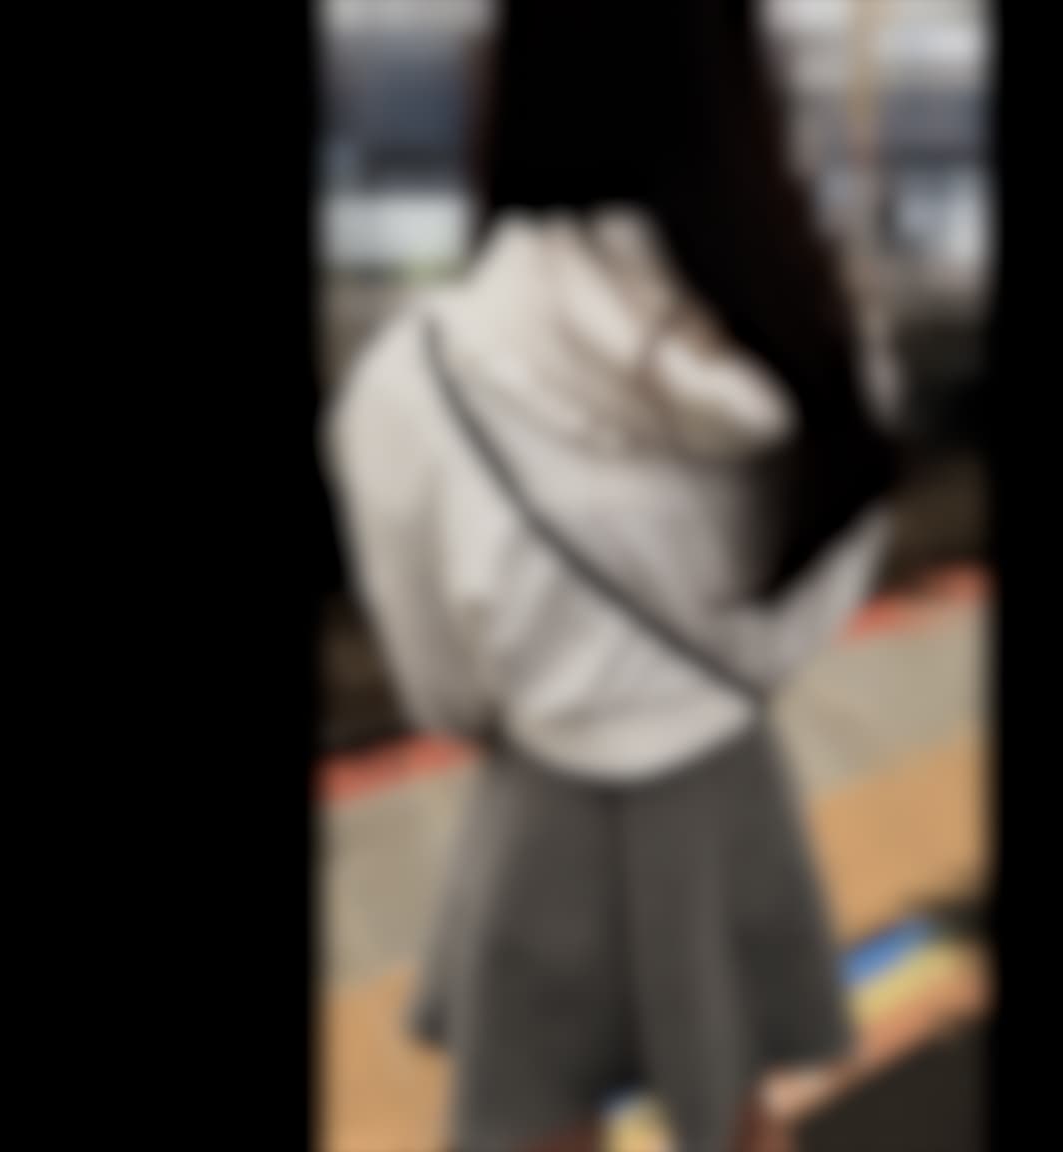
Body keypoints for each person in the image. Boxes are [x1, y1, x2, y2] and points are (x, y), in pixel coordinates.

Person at [322, 1, 903, 1148]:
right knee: (734, 1111)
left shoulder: (411, 380)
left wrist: (571, 702)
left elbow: (440, 691)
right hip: (733, 789)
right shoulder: (824, 348)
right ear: (739, 94)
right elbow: (807, 615)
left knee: (531, 1116)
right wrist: (694, 694)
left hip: (538, 816)